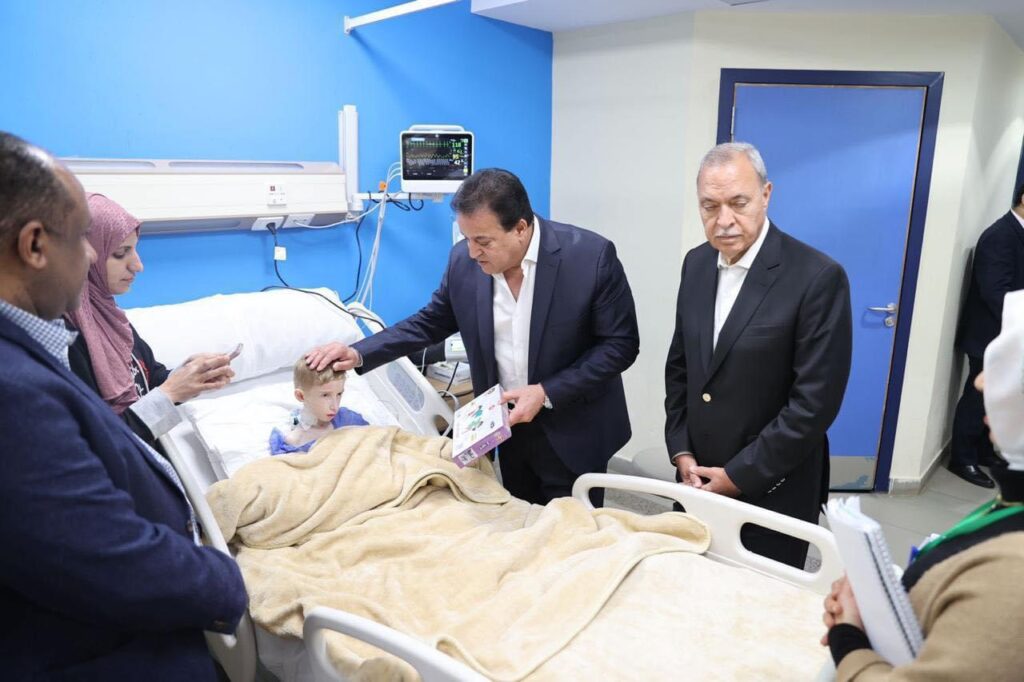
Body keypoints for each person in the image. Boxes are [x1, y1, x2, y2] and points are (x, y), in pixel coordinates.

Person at [0, 131, 247, 679]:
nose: (93, 255)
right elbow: (104, 554)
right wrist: (230, 580)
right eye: (85, 239)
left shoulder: (94, 327)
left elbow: (145, 379)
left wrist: (182, 378)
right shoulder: (18, 385)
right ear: (35, 245)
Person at [306, 168, 640, 505]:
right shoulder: (463, 263)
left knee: (576, 529)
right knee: (520, 518)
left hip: (575, 427)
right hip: (509, 428)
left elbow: (620, 345)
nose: (472, 252)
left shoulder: (589, 258)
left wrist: (546, 392)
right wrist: (359, 352)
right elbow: (430, 322)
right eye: (466, 238)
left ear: (520, 228)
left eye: (483, 241)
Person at [664, 142, 853, 568]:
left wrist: (739, 475)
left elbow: (814, 404)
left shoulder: (817, 277)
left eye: (738, 203)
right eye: (709, 206)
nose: (723, 220)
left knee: (763, 597)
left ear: (766, 195)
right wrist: (681, 451)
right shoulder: (697, 264)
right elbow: (681, 367)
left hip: (772, 485)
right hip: (696, 479)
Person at [822, 290, 1024, 680]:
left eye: (1009, 364)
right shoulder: (1011, 502)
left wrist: (849, 635)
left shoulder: (1013, 578)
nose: (981, 381)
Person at [66, 193, 235, 449]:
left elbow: (149, 377)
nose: (138, 265)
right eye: (120, 253)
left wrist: (190, 376)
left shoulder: (109, 316)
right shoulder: (66, 342)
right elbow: (101, 442)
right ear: (83, 256)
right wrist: (171, 393)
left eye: (135, 249)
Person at [948, 182, 1024, 488]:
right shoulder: (1000, 235)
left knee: (996, 397)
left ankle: (981, 450)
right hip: (990, 335)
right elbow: (995, 292)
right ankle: (962, 458)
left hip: (1007, 334)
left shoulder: (1017, 233)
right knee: (978, 397)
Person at [270, 356, 368, 454]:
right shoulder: (296, 441)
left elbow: (371, 438)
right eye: (325, 395)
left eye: (339, 394)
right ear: (301, 396)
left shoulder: (348, 419)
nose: (335, 406)